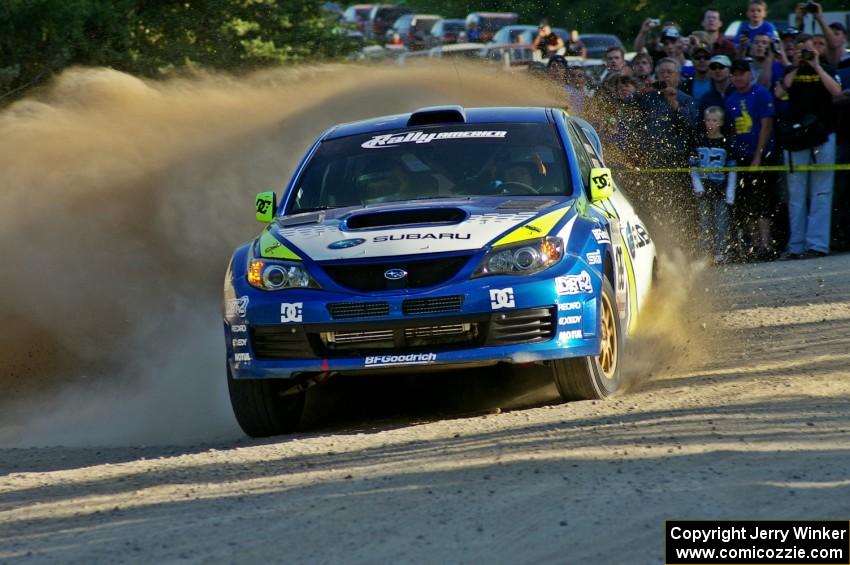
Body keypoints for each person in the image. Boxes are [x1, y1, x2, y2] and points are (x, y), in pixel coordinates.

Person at [774, 33, 844, 259]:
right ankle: (796, 246)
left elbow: (837, 92)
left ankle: (817, 245)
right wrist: (796, 65)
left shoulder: (826, 68)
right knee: (796, 194)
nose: (804, 52)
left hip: (823, 136)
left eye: (808, 48)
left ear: (816, 49)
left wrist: (816, 66)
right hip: (796, 138)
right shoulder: (790, 71)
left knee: (821, 192)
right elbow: (779, 92)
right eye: (800, 48)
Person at [726, 58, 778, 260]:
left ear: (749, 74)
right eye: (735, 74)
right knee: (746, 203)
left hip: (761, 156)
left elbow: (766, 125)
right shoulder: (730, 99)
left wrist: (758, 155)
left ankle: (766, 245)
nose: (738, 77)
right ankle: (755, 246)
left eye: (742, 73)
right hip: (741, 156)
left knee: (762, 202)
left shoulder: (761, 94)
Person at [691, 106, 737, 262]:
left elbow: (732, 169)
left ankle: (721, 252)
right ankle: (705, 252)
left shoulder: (726, 142)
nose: (711, 123)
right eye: (708, 120)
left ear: (721, 122)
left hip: (720, 189)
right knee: (704, 222)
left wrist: (730, 192)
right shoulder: (698, 140)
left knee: (721, 222)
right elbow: (693, 167)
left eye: (714, 120)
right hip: (703, 188)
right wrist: (698, 186)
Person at [699, 55, 736, 121]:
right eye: (713, 68)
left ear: (730, 71)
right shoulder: (706, 98)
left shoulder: (739, 94)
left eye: (721, 67)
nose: (717, 70)